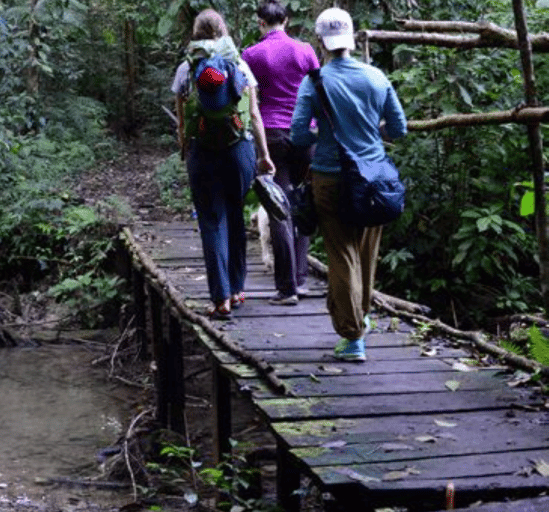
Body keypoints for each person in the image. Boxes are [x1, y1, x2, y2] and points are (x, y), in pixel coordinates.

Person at [290, 7, 407, 361]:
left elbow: (297, 135)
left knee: (342, 257)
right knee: (367, 256)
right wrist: (371, 131)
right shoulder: (375, 77)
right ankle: (361, 319)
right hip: (374, 178)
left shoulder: (315, 82)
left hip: (331, 178)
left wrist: (321, 131)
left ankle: (353, 336)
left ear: (320, 40)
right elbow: (399, 129)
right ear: (352, 38)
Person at [171, 9, 275, 320]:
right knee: (234, 215)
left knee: (211, 221)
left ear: (197, 33)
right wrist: (264, 154)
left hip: (202, 152)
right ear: (223, 30)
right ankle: (238, 289)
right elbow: (254, 115)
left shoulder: (186, 68)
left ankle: (220, 299)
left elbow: (181, 120)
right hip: (238, 149)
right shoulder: (239, 64)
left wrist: (183, 146)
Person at [242, 0, 320, 306]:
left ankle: (286, 288)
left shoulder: (251, 54)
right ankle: (300, 280)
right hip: (305, 133)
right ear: (286, 21)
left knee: (278, 207)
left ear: (261, 23)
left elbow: (245, 98)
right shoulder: (305, 51)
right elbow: (319, 90)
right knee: (302, 202)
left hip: (271, 134)